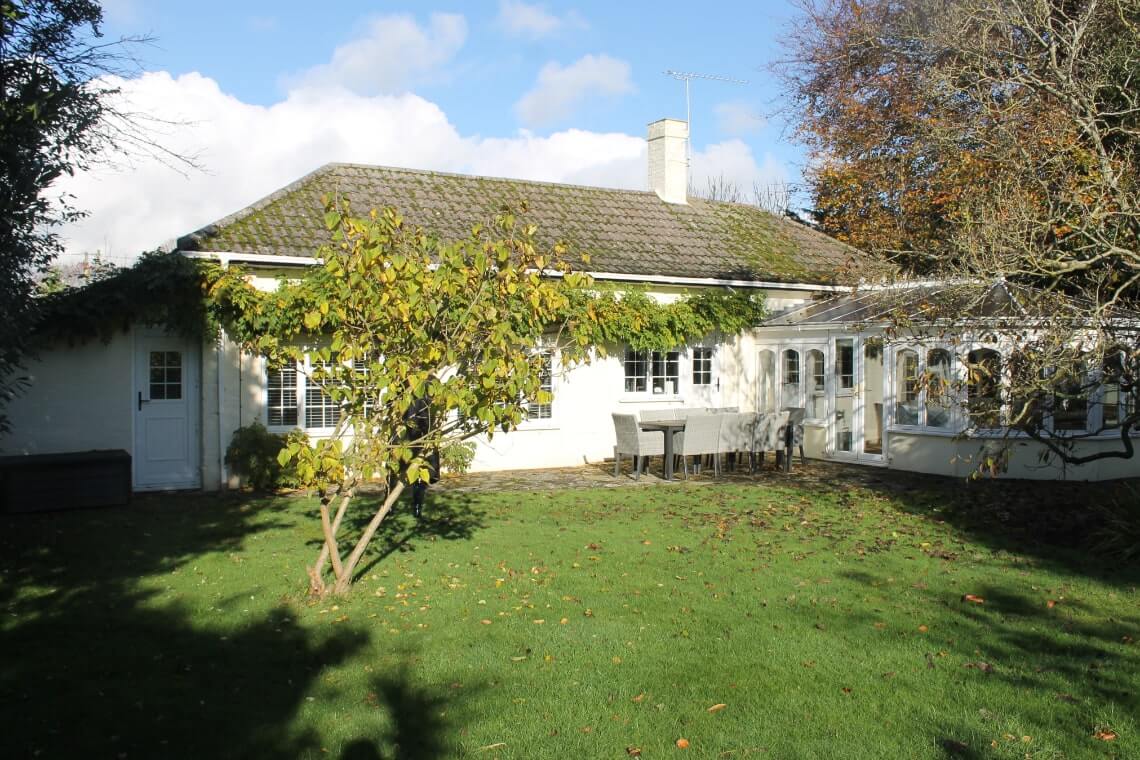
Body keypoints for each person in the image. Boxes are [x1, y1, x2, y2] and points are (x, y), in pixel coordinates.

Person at [404, 394, 440, 519]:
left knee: (423, 472)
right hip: (413, 435)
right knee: (417, 471)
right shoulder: (412, 390)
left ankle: (417, 506)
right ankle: (416, 506)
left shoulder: (430, 386)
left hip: (425, 433)